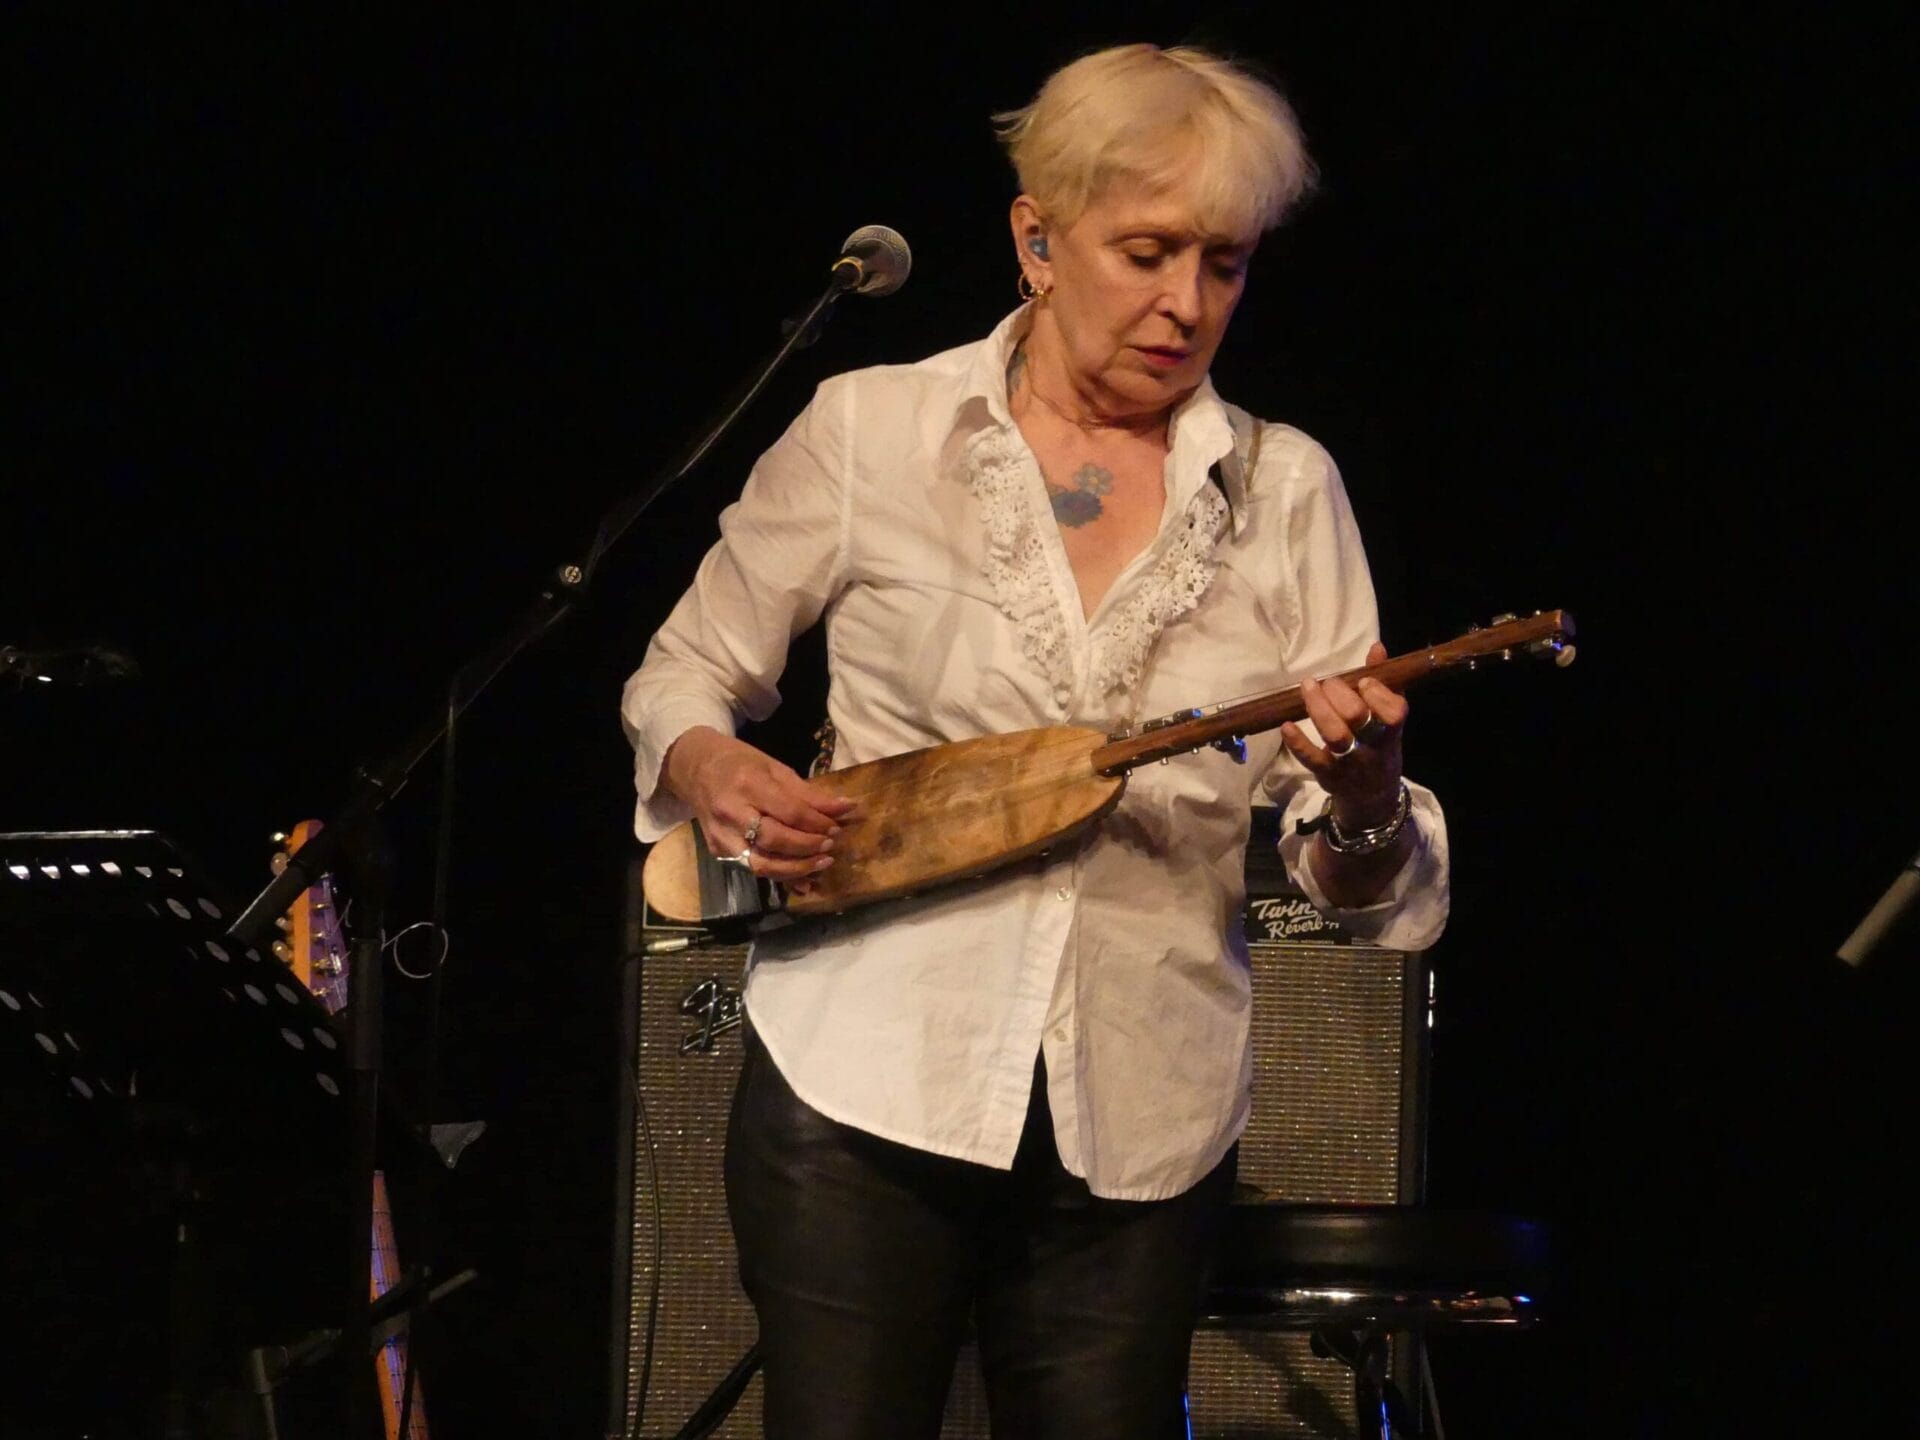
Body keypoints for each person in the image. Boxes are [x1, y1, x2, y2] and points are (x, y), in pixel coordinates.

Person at [621, 41, 1449, 1439]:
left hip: (1142, 1116)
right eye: (1147, 252)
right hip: (865, 1076)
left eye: (1226, 265)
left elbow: (1352, 878)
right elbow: (682, 676)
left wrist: (1365, 792)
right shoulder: (875, 430)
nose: (1187, 303)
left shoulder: (1287, 491)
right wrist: (713, 767)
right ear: (1038, 238)